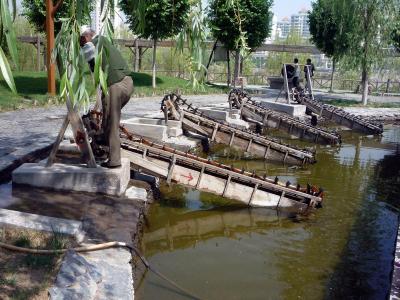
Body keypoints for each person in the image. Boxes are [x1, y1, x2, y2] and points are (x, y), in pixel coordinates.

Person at [80, 27, 134, 168]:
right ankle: (104, 145)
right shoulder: (103, 42)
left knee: (111, 123)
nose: (81, 44)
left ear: (86, 37)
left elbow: (93, 69)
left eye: (81, 41)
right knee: (108, 119)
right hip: (127, 83)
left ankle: (114, 160)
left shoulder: (95, 42)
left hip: (115, 86)